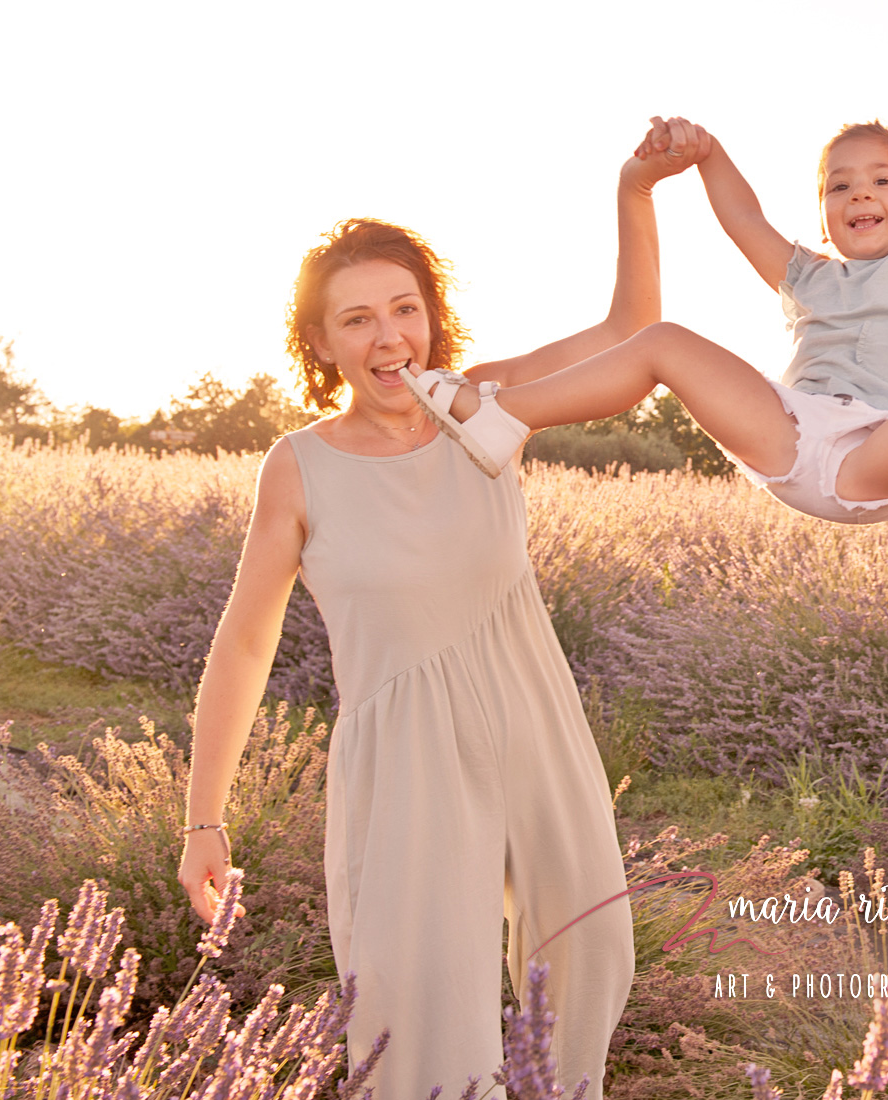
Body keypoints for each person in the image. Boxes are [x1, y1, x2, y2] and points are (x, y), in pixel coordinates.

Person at [174, 124, 701, 1095]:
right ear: (322, 341)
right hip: (407, 758)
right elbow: (245, 643)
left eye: (404, 309)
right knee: (419, 1025)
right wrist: (204, 820)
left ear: (432, 316)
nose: (388, 338)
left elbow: (633, 330)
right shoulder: (300, 466)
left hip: (536, 722)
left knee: (592, 957)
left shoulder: (482, 410)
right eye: (358, 319)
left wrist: (636, 190)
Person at [397, 31, 888, 524]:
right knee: (664, 341)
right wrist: (706, 151)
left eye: (880, 182)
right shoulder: (809, 276)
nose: (859, 193)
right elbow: (744, 218)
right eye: (839, 186)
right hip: (792, 436)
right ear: (827, 212)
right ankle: (506, 418)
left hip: (882, 453)